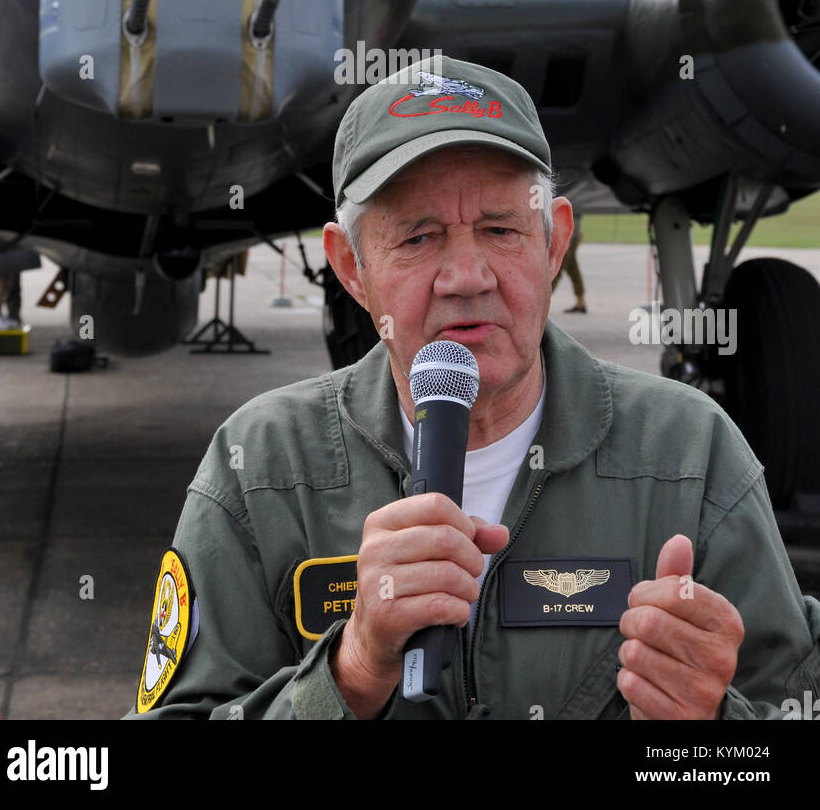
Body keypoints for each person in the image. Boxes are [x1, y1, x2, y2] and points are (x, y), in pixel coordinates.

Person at [125, 57, 820, 720]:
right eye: (418, 238)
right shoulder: (260, 466)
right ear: (350, 267)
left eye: (499, 229)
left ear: (553, 245)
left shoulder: (691, 454)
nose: (467, 275)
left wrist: (709, 723)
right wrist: (352, 672)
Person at [552, 212, 587, 312]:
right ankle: (581, 301)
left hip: (569, 234)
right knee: (572, 268)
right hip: (573, 233)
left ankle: (542, 302)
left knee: (558, 266)